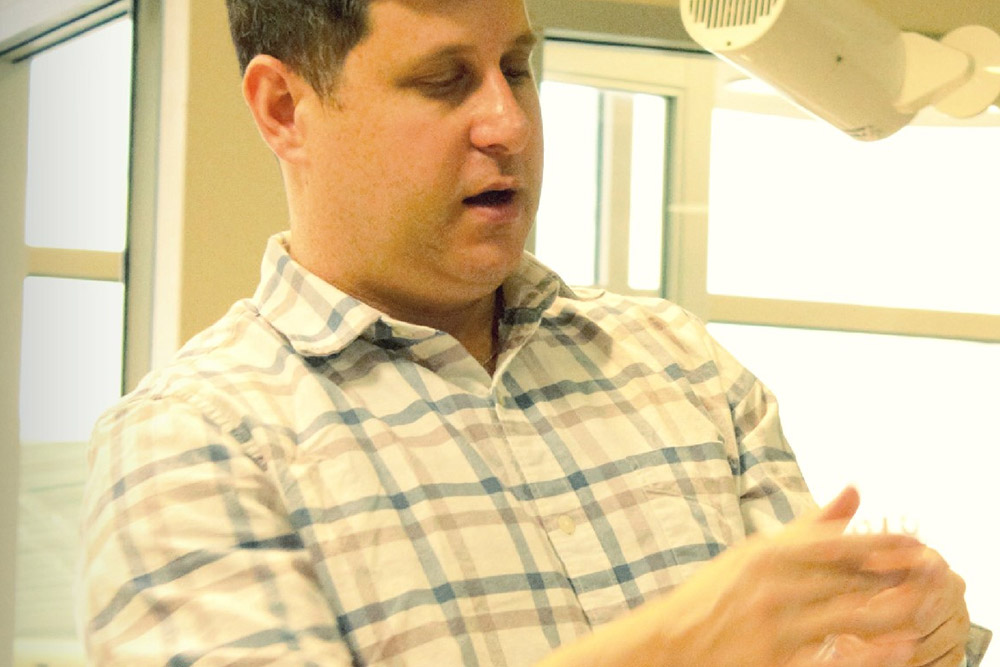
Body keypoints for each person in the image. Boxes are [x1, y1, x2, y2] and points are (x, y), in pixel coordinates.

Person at [79, 0, 991, 664]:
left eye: (517, 68)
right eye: (443, 82)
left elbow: (826, 647)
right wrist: (681, 642)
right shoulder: (190, 443)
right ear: (284, 108)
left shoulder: (678, 366)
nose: (508, 123)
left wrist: (916, 637)